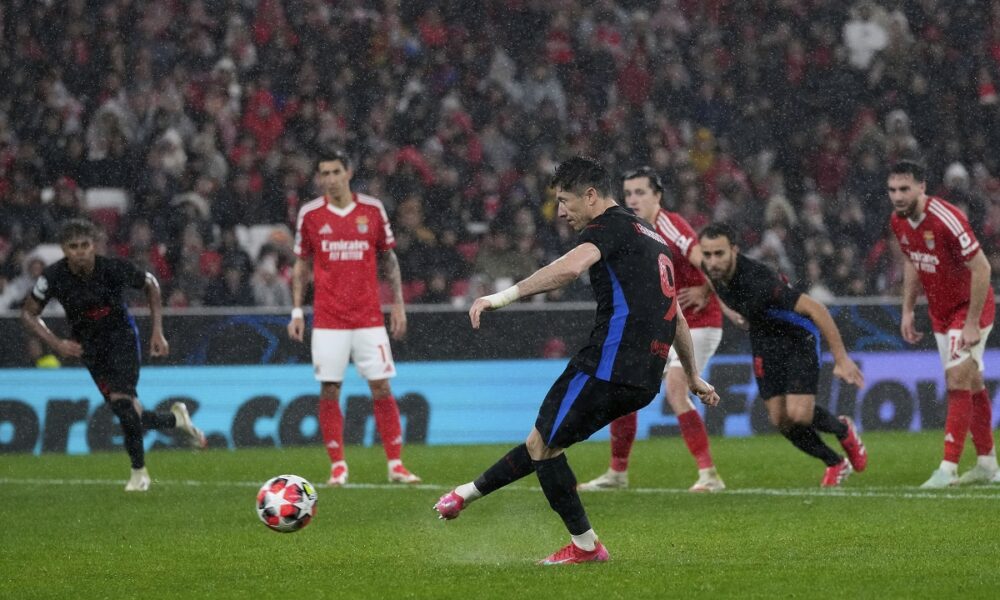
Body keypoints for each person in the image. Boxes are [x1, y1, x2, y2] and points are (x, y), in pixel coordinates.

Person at [433, 156, 720, 565]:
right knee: (543, 443)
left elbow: (570, 267)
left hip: (606, 364)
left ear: (591, 196)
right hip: (644, 376)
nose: (561, 211)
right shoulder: (651, 235)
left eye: (565, 201)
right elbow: (673, 312)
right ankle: (464, 495)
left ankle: (586, 546)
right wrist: (692, 375)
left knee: (544, 447)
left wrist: (501, 297)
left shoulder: (610, 227)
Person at [20, 219, 205, 492]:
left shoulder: (112, 268)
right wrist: (56, 343)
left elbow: (151, 284)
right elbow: (28, 313)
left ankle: (139, 474)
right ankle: (175, 420)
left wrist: (157, 331)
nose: (80, 251)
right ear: (64, 249)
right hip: (90, 349)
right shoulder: (52, 277)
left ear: (94, 246)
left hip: (122, 340)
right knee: (130, 414)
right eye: (74, 247)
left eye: (85, 245)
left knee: (122, 404)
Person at [579, 166, 728, 493]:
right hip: (666, 324)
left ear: (657, 195)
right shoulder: (637, 229)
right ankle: (617, 473)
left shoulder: (669, 225)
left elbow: (711, 262)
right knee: (622, 388)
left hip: (699, 323)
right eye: (628, 193)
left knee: (676, 391)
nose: (633, 199)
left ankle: (710, 475)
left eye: (640, 192)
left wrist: (705, 289)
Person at [698, 222, 868, 487]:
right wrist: (719, 302)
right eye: (707, 255)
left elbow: (817, 309)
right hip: (764, 341)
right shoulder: (710, 269)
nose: (712, 261)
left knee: (799, 415)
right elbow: (711, 280)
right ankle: (835, 462)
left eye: (719, 253)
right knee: (781, 420)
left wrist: (841, 359)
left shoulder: (759, 279)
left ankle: (843, 429)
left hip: (797, 338)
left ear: (734, 250)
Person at [287, 150, 420, 486]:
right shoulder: (311, 215)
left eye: (334, 172)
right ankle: (338, 466)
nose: (329, 179)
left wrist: (399, 305)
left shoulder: (372, 210)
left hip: (369, 318)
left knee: (381, 386)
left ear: (348, 172)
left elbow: (389, 260)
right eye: (323, 173)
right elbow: (301, 265)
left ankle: (395, 465)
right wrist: (297, 310)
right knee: (330, 389)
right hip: (329, 319)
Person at [887, 160, 999, 487]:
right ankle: (988, 464)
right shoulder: (899, 221)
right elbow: (911, 261)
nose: (897, 196)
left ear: (922, 187)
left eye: (904, 189)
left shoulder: (946, 219)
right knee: (972, 382)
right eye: (892, 190)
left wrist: (972, 323)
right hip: (940, 312)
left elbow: (982, 269)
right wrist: (907, 310)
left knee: (955, 380)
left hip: (969, 309)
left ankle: (947, 468)